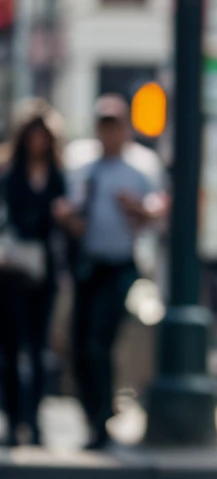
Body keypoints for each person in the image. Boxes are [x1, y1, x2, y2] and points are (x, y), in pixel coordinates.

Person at [55, 94, 165, 450]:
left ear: (126, 128)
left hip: (120, 264)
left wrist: (140, 210)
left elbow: (159, 206)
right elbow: (65, 203)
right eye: (103, 125)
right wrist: (68, 217)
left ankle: (103, 415)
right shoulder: (80, 161)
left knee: (100, 340)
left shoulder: (141, 166)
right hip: (86, 264)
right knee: (79, 343)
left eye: (114, 124)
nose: (108, 133)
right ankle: (92, 412)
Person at [0, 100, 66, 446]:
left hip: (45, 269)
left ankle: (34, 420)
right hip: (10, 269)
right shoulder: (8, 172)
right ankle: (13, 421)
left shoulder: (59, 175)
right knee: (10, 348)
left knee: (39, 348)